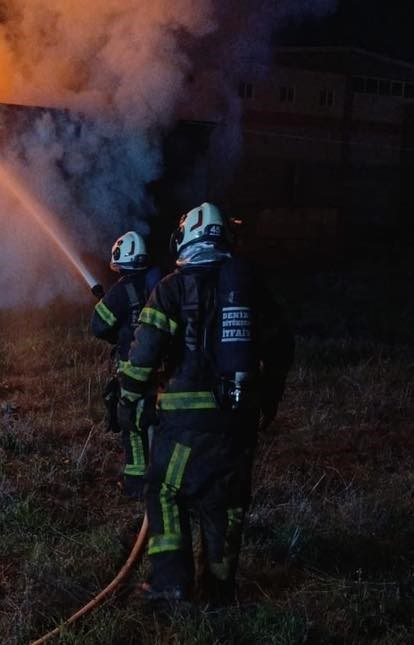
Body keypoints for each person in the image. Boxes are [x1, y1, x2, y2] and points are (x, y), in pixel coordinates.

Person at [118, 202, 294, 605]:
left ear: (185, 240)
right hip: (237, 419)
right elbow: (282, 344)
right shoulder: (248, 289)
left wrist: (128, 397)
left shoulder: (171, 288)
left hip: (183, 426)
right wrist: (268, 395)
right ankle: (219, 592)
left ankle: (170, 583)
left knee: (164, 491)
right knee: (225, 501)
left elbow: (143, 356)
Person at [91, 230, 162, 499]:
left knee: (131, 422)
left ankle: (136, 486)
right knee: (157, 421)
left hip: (132, 367)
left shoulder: (121, 291)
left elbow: (98, 326)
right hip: (162, 368)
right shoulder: (159, 285)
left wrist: (106, 308)